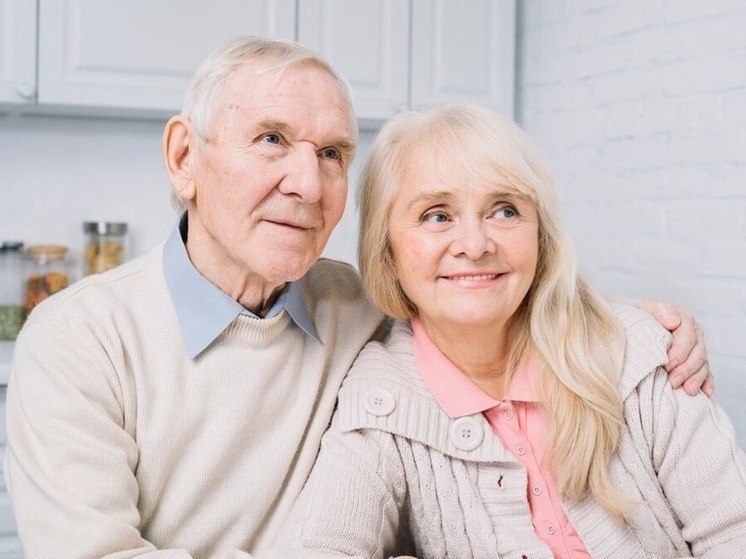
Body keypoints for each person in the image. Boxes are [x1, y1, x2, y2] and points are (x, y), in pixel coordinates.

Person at [2, 37, 712, 558]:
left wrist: (637, 327)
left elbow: (484, 288)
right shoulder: (78, 338)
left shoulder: (364, 304)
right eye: (272, 139)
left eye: (333, 153)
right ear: (185, 158)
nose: (307, 184)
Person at [269, 104, 746, 558]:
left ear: (539, 235)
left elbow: (734, 531)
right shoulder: (380, 399)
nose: (475, 245)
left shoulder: (639, 354)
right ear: (387, 250)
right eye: (437, 215)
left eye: (505, 210)